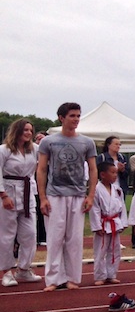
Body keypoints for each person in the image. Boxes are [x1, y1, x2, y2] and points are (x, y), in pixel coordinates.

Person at [38, 103, 97, 291]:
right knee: (55, 237)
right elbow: (41, 169)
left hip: (78, 194)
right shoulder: (48, 142)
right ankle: (53, 279)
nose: (76, 119)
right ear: (61, 118)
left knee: (74, 239)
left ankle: (72, 278)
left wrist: (91, 195)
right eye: (72, 116)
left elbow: (94, 169)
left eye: (78, 116)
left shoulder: (87, 142)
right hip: (55, 194)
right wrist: (42, 197)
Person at [1, 119, 42, 287]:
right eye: (25, 130)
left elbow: (48, 153)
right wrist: (3, 195)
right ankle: (7, 272)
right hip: (8, 192)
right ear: (17, 130)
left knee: (30, 234)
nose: (28, 133)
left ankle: (24, 269)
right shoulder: (4, 150)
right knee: (6, 235)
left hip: (27, 194)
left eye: (30, 130)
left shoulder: (34, 150)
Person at [90, 162, 126, 286]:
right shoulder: (95, 189)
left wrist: (122, 223)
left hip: (114, 222)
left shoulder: (117, 190)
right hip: (103, 222)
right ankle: (100, 276)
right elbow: (94, 209)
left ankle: (111, 274)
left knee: (115, 250)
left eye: (116, 172)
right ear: (103, 175)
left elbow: (122, 207)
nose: (115, 175)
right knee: (100, 251)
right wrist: (97, 226)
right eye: (113, 172)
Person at [34, 131, 47, 246]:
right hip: (32, 187)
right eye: (37, 139)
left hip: (46, 187)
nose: (39, 141)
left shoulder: (49, 156)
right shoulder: (31, 153)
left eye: (41, 138)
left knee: (43, 212)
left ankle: (43, 236)